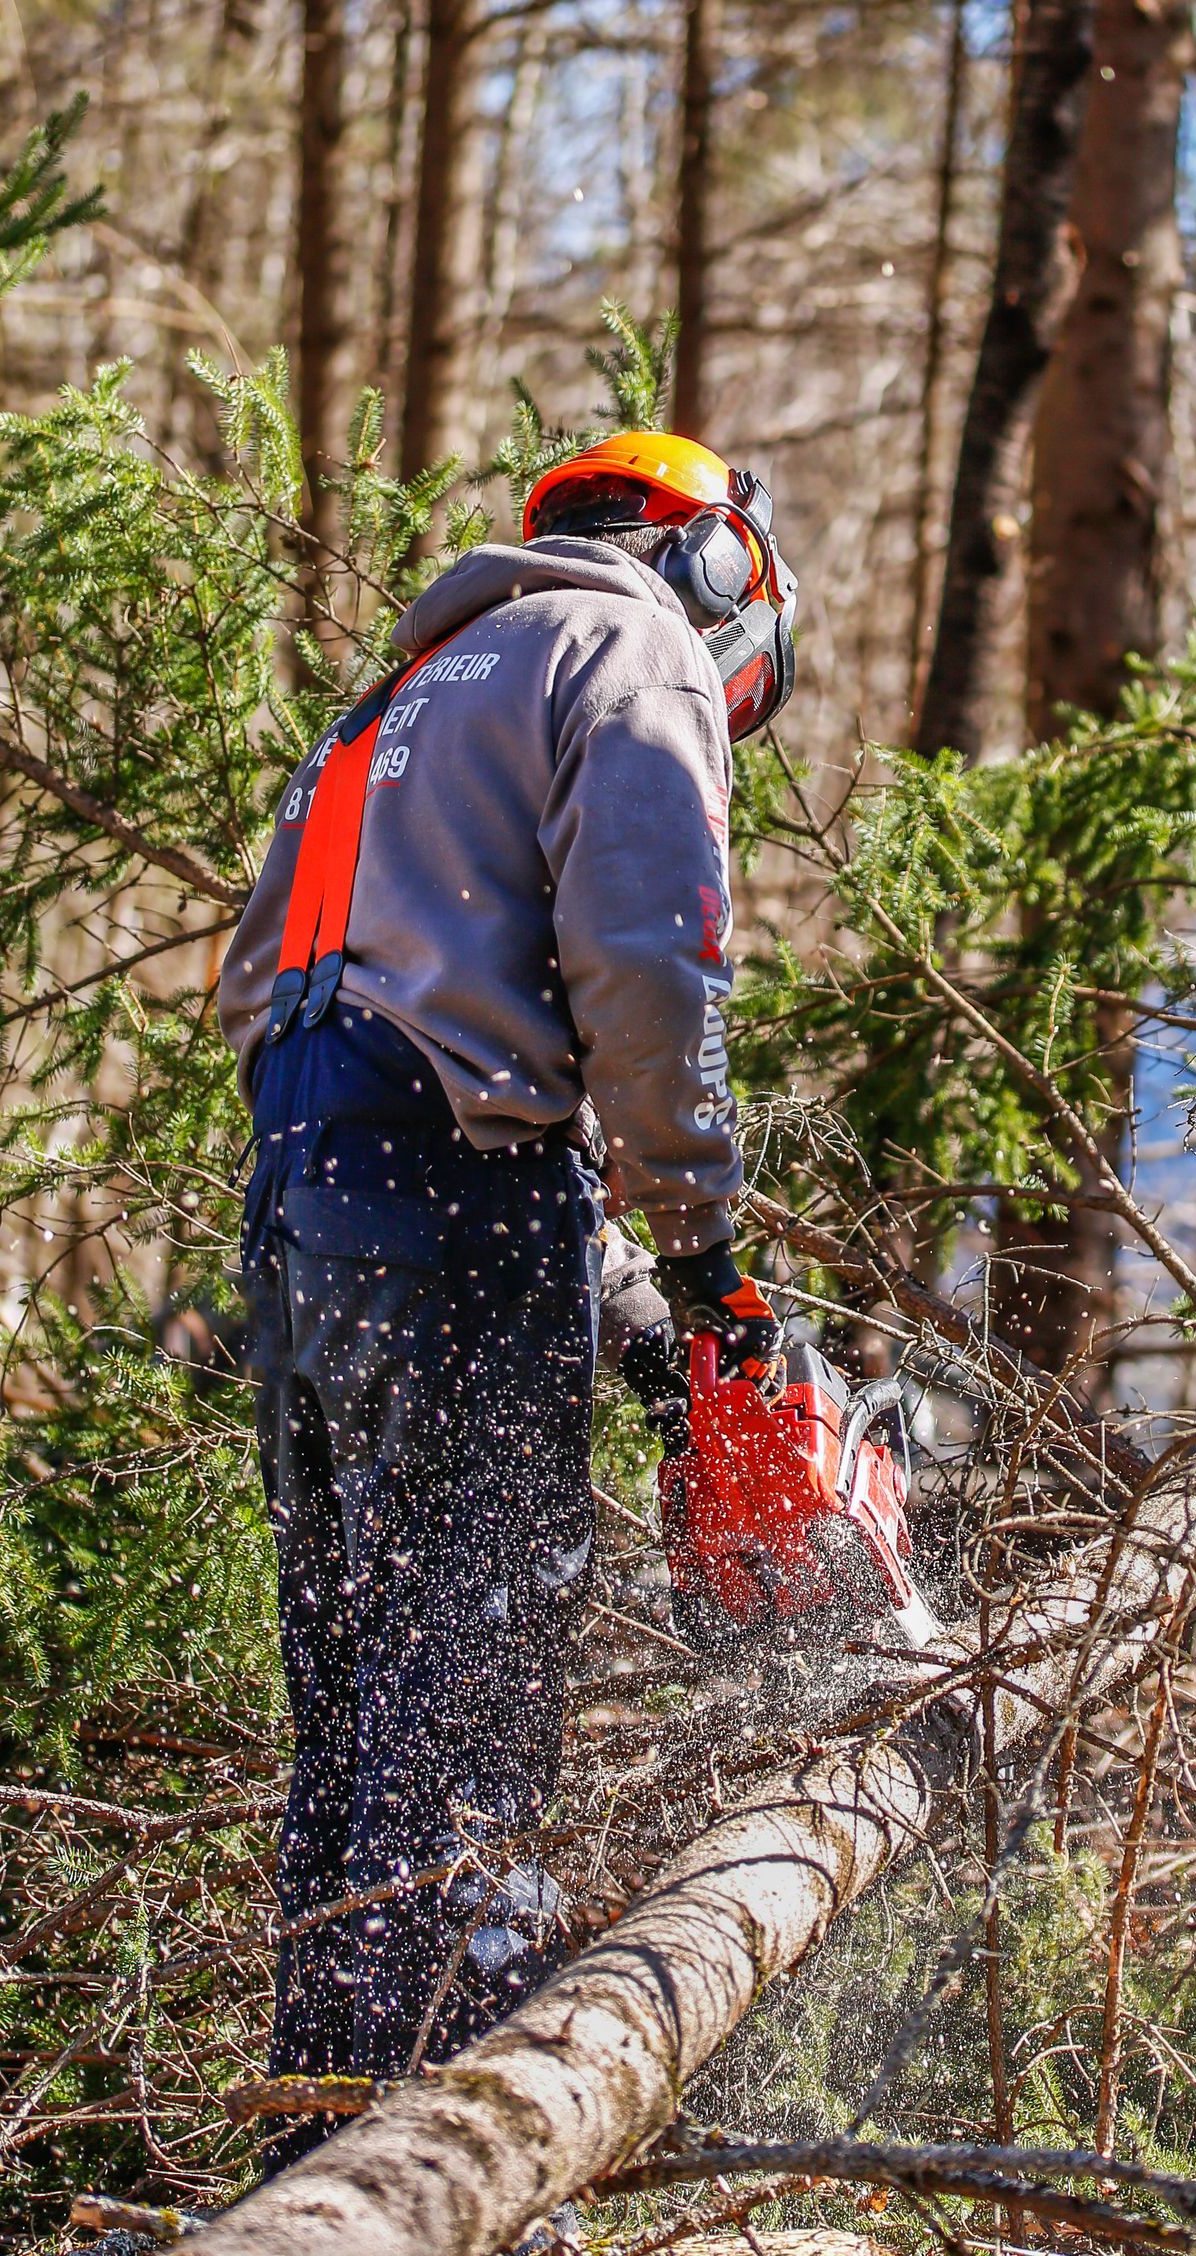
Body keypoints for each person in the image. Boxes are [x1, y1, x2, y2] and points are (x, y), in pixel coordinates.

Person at [217, 431, 799, 2168]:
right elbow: (652, 956)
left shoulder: (387, 702)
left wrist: (597, 1277)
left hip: (307, 1201)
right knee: (471, 1671)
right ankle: (458, 2153)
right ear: (712, 565)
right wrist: (703, 1255)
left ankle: (323, 2114)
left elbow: (283, 991)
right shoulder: (625, 647)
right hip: (445, 1204)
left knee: (356, 1675)